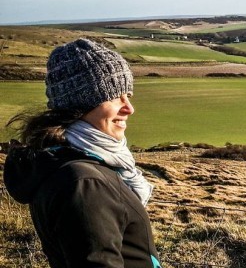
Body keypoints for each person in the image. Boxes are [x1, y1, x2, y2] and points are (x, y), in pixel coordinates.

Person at [4, 38, 162, 268]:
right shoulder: (84, 183)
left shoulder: (67, 160)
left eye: (128, 94)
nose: (129, 108)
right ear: (80, 103)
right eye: (114, 95)